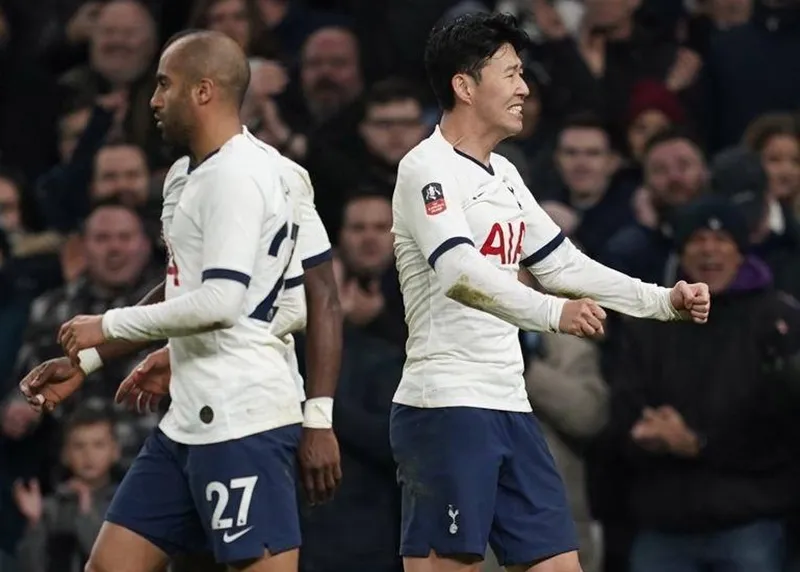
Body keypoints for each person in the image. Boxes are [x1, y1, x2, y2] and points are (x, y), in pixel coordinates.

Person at [389, 13, 710, 572]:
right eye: (511, 74)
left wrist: (662, 301)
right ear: (465, 86)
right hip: (446, 406)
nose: (524, 89)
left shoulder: (505, 174)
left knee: (561, 565)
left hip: (511, 404)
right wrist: (551, 313)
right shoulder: (425, 169)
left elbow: (562, 263)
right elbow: (459, 271)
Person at [20, 30, 337, 572]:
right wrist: (90, 360)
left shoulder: (244, 176)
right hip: (186, 419)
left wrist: (109, 324)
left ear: (203, 90)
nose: (154, 99)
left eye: (165, 84)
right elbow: (185, 289)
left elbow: (236, 302)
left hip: (242, 418)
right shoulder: (186, 176)